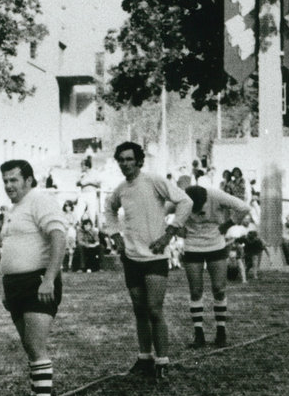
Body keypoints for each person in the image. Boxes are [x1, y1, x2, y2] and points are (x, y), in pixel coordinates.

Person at [103, 142, 192, 380]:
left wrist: (169, 233)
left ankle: (162, 361)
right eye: (121, 159)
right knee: (139, 310)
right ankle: (144, 358)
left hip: (154, 256)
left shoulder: (154, 180)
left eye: (129, 159)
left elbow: (185, 201)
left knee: (154, 309)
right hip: (131, 257)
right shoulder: (121, 188)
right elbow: (109, 210)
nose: (125, 164)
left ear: (139, 161)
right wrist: (115, 235)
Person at [0, 159, 67, 396]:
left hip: (37, 281)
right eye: (5, 181)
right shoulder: (14, 208)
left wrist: (49, 278)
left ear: (28, 180)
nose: (8, 185)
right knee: (29, 346)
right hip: (15, 285)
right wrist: (7, 288)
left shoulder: (40, 199)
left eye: (14, 180)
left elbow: (59, 236)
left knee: (37, 346)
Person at [181, 185, 250, 349]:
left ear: (205, 198)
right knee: (196, 290)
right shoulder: (181, 198)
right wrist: (176, 228)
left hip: (216, 245)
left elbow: (244, 207)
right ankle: (198, 333)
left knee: (219, 288)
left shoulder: (217, 195)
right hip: (192, 246)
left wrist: (228, 224)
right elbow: (159, 211)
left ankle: (221, 331)